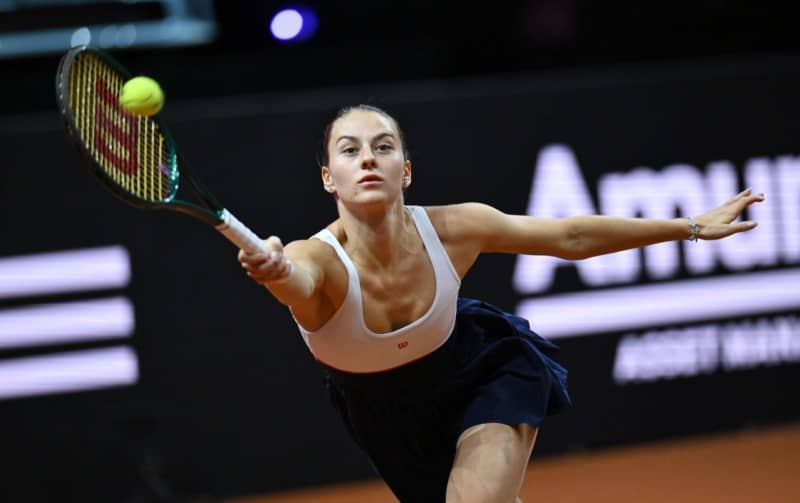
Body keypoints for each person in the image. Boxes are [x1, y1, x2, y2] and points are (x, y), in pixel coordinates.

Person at [238, 104, 765, 503]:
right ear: (330, 178)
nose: (369, 158)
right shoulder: (318, 258)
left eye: (383, 146)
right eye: (350, 151)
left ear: (407, 170)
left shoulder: (455, 228)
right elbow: (297, 281)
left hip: (479, 372)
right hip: (384, 415)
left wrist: (690, 226)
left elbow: (572, 236)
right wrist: (275, 272)